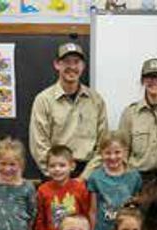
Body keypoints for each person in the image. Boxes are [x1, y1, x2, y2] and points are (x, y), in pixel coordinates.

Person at [29, 42, 108, 177]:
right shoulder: (44, 100)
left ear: (83, 66)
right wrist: (57, 174)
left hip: (88, 175)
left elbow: (103, 144)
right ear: (57, 65)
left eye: (76, 62)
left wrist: (84, 178)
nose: (72, 67)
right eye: (66, 62)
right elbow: (39, 145)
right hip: (55, 174)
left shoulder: (96, 101)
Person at [88, 133, 142, 230]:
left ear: (125, 152)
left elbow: (137, 209)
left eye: (117, 152)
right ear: (101, 153)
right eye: (107, 153)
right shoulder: (95, 177)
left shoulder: (134, 176)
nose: (112, 157)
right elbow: (93, 211)